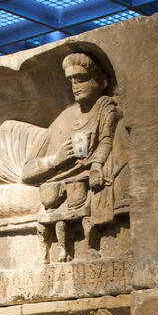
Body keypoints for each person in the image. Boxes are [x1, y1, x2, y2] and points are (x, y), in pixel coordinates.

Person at [21, 51, 124, 263]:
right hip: (59, 180)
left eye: (82, 79)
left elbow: (106, 141)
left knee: (84, 197)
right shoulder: (65, 118)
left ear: (102, 81)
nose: (75, 85)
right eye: (72, 81)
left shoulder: (107, 109)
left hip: (88, 175)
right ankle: (59, 250)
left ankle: (90, 246)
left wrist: (96, 165)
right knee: (52, 199)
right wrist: (55, 160)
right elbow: (27, 172)